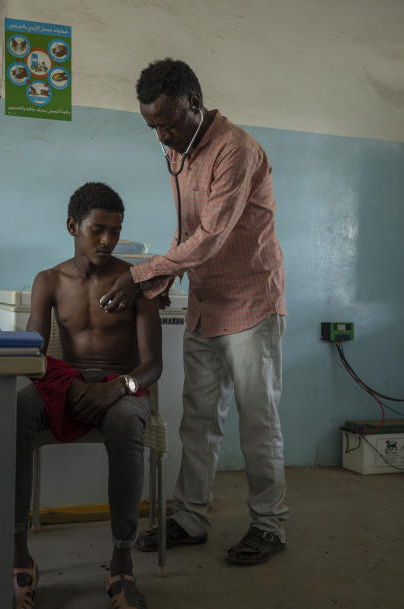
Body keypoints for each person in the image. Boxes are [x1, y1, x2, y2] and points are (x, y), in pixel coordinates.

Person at [100, 58, 289, 566]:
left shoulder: (236, 150)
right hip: (207, 304)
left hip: (251, 303)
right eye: (152, 127)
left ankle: (269, 526)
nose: (161, 135)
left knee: (258, 420)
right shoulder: (177, 151)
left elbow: (212, 236)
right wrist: (164, 277)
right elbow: (187, 233)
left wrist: (141, 274)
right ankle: (189, 518)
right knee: (199, 419)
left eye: (168, 122)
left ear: (194, 104)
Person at [13, 182, 162, 609]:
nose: (107, 241)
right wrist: (70, 385)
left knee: (123, 425)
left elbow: (154, 366)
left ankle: (121, 566)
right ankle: (20, 558)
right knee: (15, 413)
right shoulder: (50, 281)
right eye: (98, 230)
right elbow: (33, 354)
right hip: (66, 382)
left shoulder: (138, 283)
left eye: (115, 232)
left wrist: (117, 388)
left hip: (125, 386)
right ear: (72, 226)